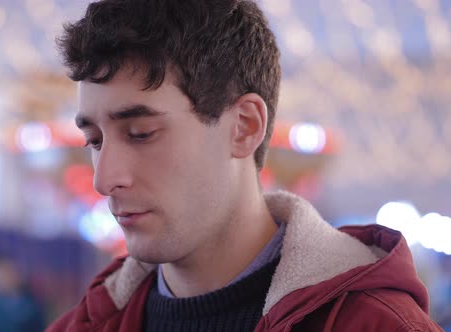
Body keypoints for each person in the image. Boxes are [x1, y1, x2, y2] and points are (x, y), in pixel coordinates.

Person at [46, 0, 443, 331]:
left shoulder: (376, 324)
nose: (104, 179)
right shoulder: (84, 324)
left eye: (141, 133)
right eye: (94, 141)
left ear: (244, 127)